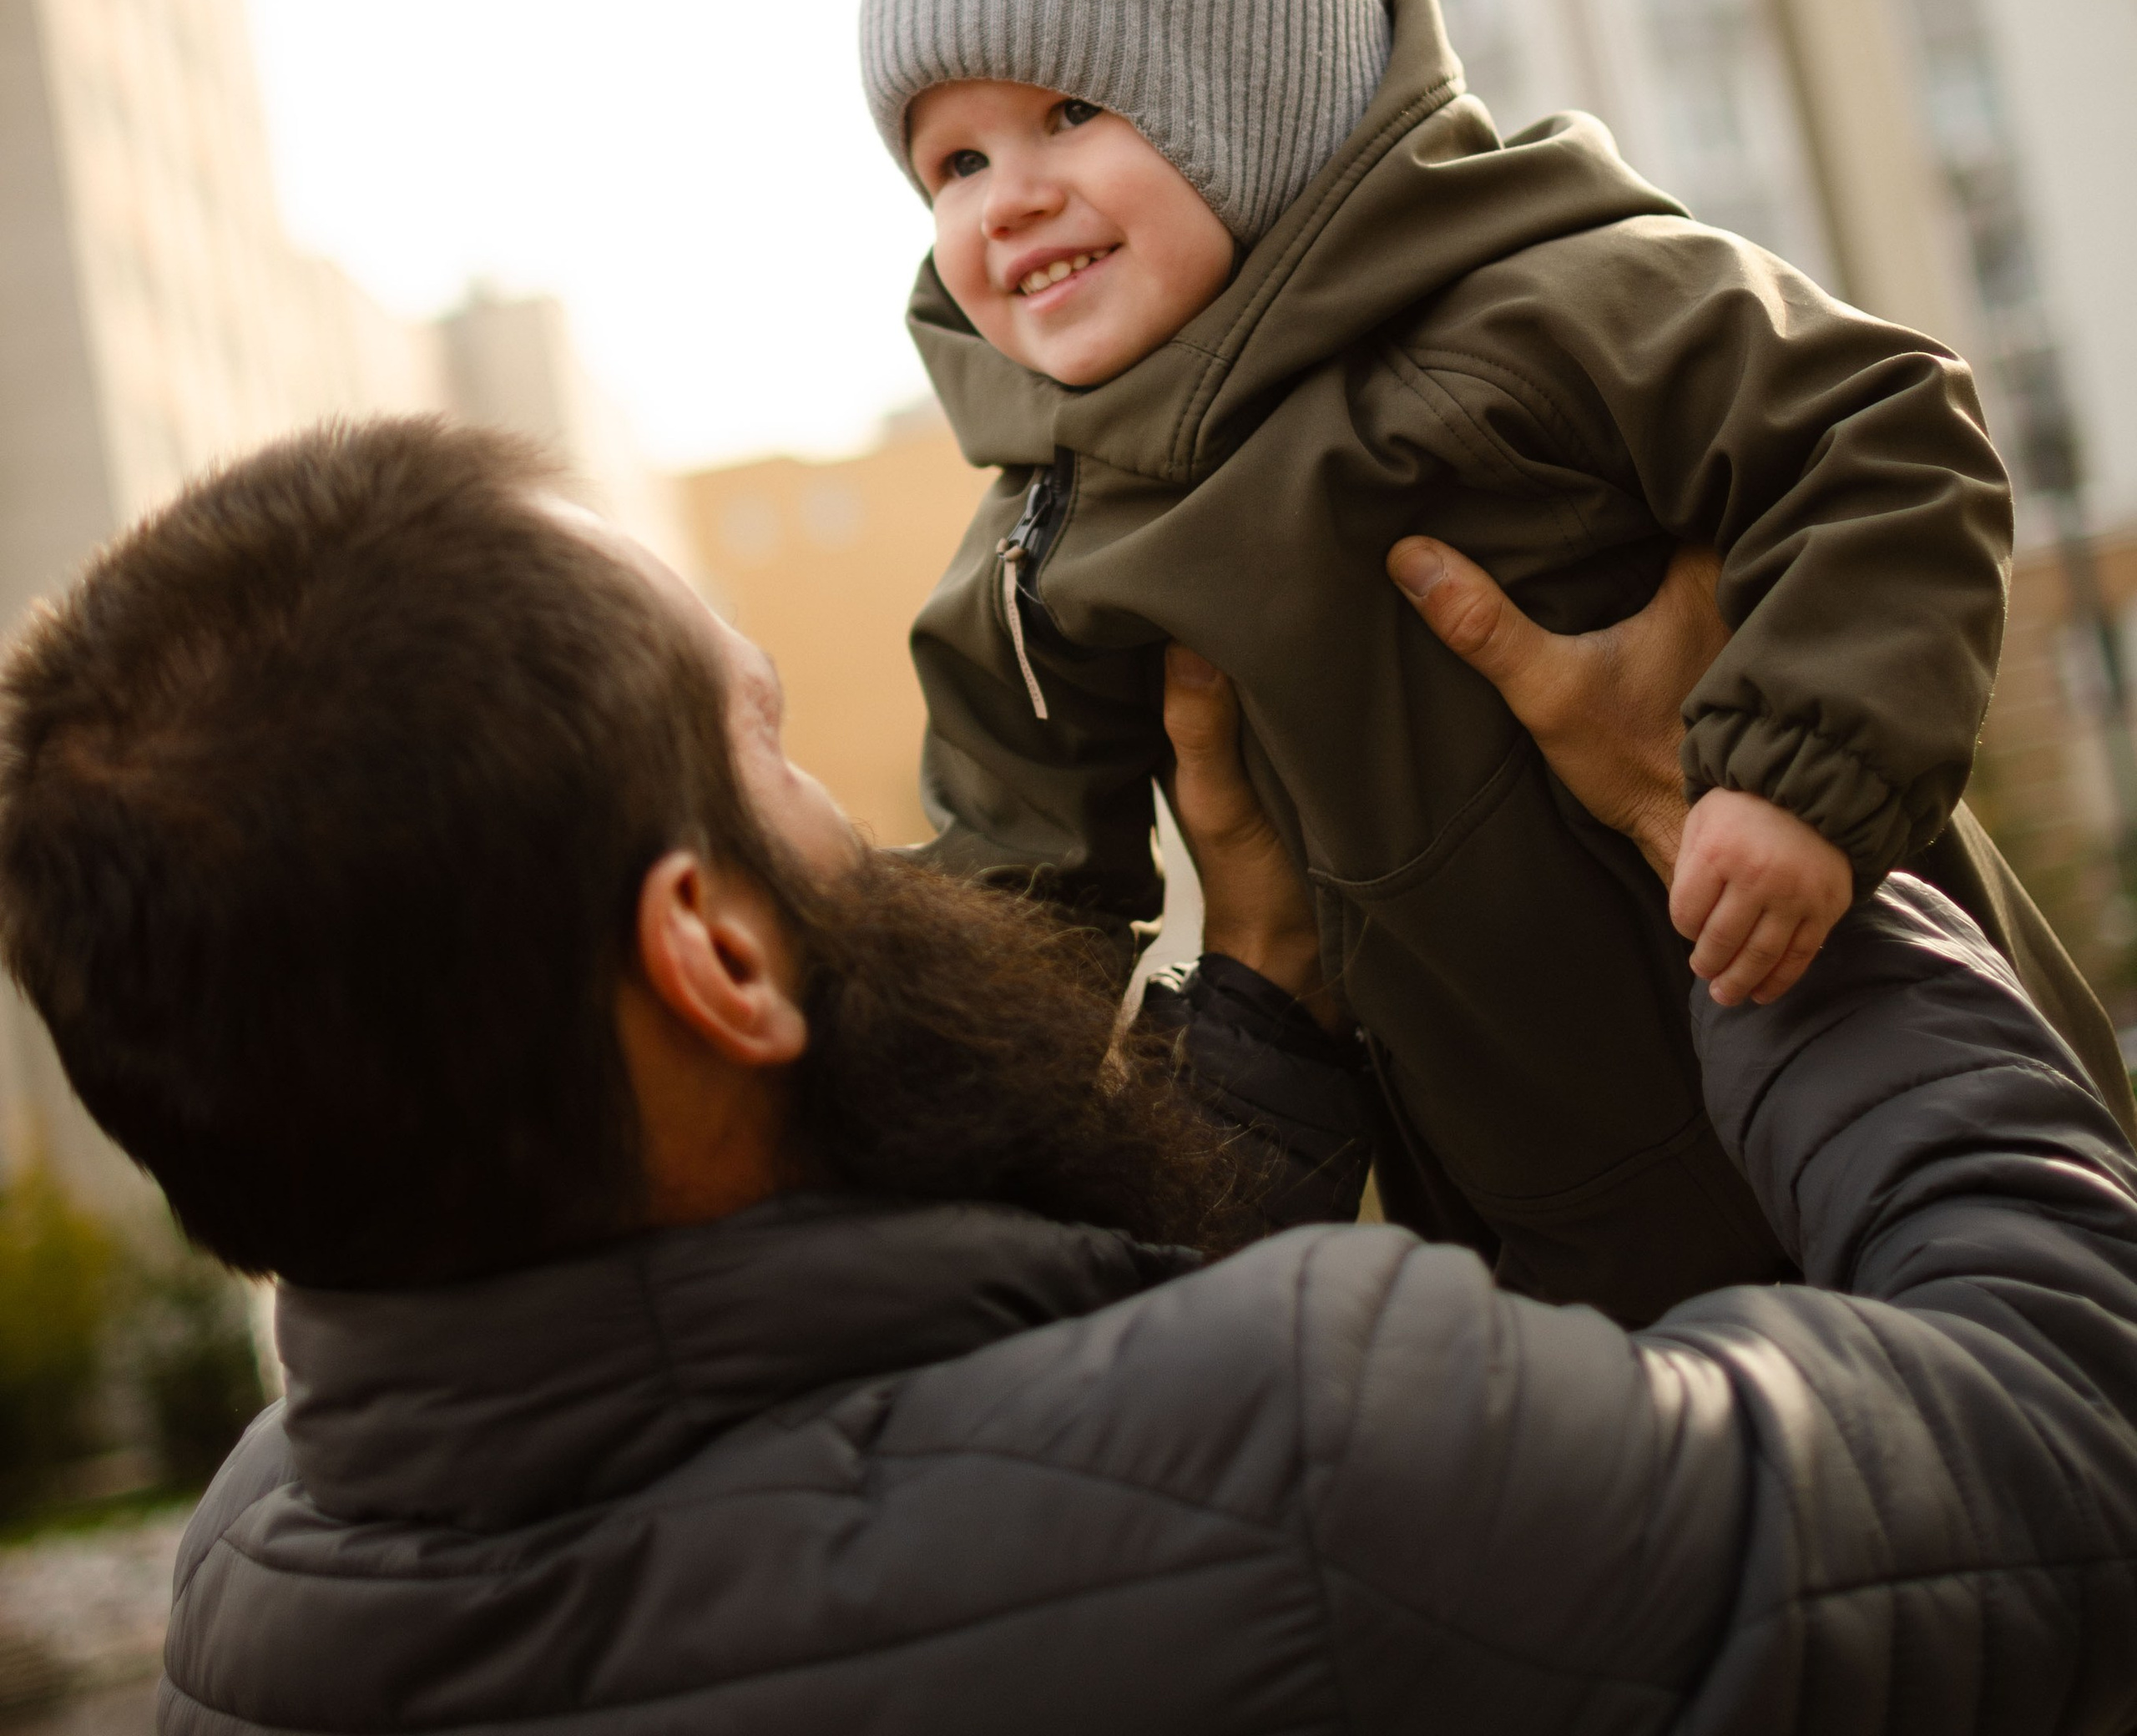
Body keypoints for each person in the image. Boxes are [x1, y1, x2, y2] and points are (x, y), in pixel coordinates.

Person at [3, 415, 2137, 1735]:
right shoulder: (1339, 1467)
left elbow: (1002, 1485)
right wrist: (1738, 848)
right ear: (712, 952)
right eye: (762, 745)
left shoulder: (262, 1591)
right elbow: (2064, 1429)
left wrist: (1271, 1024)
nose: (832, 804)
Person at [860, 0, 2134, 1318]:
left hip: (1830, 1014)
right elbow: (1005, 869)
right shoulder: (1051, 534)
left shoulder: (1521, 300)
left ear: (1243, 91)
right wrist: (909, 1122)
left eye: (1067, 111)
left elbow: (1874, 427)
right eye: (947, 163)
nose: (1004, 196)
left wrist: (1792, 770)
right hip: (1549, 1245)